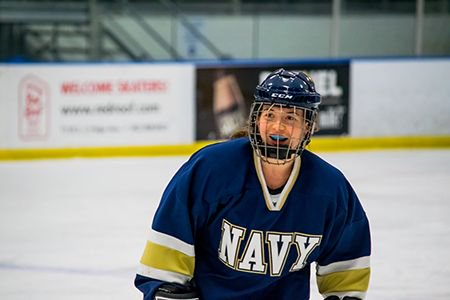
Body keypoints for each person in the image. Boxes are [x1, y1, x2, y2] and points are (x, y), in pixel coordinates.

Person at [135, 69, 371, 300]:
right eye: (270, 115)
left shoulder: (330, 189)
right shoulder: (212, 168)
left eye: (290, 117)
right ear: (256, 119)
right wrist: (166, 288)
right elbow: (171, 238)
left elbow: (346, 270)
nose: (278, 126)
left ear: (308, 127)